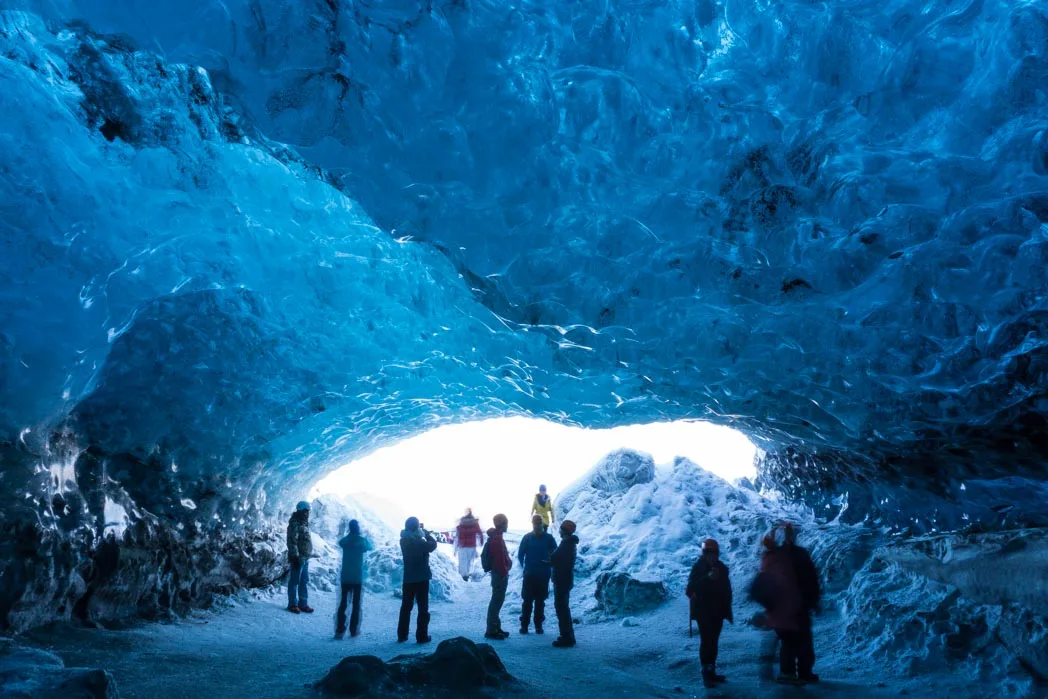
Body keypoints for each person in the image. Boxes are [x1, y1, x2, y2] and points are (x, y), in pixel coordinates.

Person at [750, 523, 820, 685]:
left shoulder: (775, 557)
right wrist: (812, 599)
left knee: (794, 640)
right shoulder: (785, 556)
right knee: (794, 640)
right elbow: (809, 579)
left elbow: (809, 579)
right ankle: (793, 673)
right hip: (792, 605)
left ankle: (796, 672)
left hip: (791, 605)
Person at [686, 538, 733, 687]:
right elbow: (690, 589)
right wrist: (707, 578)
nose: (712, 556)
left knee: (713, 642)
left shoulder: (722, 568)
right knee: (707, 642)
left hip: (717, 611)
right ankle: (706, 674)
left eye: (714, 553)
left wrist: (726, 607)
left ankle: (711, 671)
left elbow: (726, 590)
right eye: (709, 553)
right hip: (704, 611)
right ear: (704, 554)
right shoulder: (699, 568)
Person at [398, 516, 437, 643]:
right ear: (416, 527)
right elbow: (432, 545)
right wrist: (426, 534)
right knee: (422, 608)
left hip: (408, 578)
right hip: (421, 579)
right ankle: (422, 636)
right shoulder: (419, 542)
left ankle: (402, 635)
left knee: (406, 608)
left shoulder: (403, 541)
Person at [517, 514, 557, 634]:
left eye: (538, 523)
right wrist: (525, 568)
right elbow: (520, 555)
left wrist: (550, 564)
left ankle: (538, 626)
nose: (537, 526)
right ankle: (525, 626)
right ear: (533, 524)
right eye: (535, 523)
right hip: (530, 575)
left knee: (539, 601)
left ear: (542, 524)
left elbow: (555, 554)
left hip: (543, 575)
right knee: (527, 601)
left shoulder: (548, 538)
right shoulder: (528, 538)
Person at [336, 519, 373, 639]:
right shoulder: (362, 541)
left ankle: (340, 628)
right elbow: (370, 546)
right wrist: (364, 536)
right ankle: (353, 630)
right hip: (357, 577)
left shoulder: (345, 541)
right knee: (356, 604)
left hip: (345, 576)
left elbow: (340, 542)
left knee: (343, 603)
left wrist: (349, 535)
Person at [550, 519, 578, 648]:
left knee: (561, 608)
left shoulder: (566, 544)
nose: (559, 530)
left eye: (561, 528)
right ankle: (568, 636)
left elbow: (555, 558)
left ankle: (566, 637)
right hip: (564, 579)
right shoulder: (569, 544)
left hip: (562, 580)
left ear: (564, 531)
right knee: (563, 608)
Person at [484, 513, 513, 640]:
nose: (507, 524)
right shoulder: (497, 539)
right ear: (502, 524)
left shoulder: (496, 536)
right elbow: (499, 560)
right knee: (496, 601)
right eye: (506, 522)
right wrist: (505, 571)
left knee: (497, 601)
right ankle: (491, 630)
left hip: (498, 574)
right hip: (499, 574)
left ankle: (496, 627)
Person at [286, 500, 314, 614]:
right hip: (298, 558)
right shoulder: (295, 523)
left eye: (308, 511)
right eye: (306, 511)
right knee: (294, 581)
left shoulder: (304, 522)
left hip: (305, 557)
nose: (308, 513)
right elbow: (292, 541)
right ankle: (292, 604)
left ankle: (303, 603)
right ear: (301, 510)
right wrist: (295, 556)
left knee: (304, 581)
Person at [454, 509, 484, 582]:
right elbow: (480, 533)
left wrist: (455, 548)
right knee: (469, 562)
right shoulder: (475, 523)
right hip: (472, 546)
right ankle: (467, 575)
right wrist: (481, 541)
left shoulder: (461, 523)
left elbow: (457, 536)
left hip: (462, 546)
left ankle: (463, 576)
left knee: (462, 562)